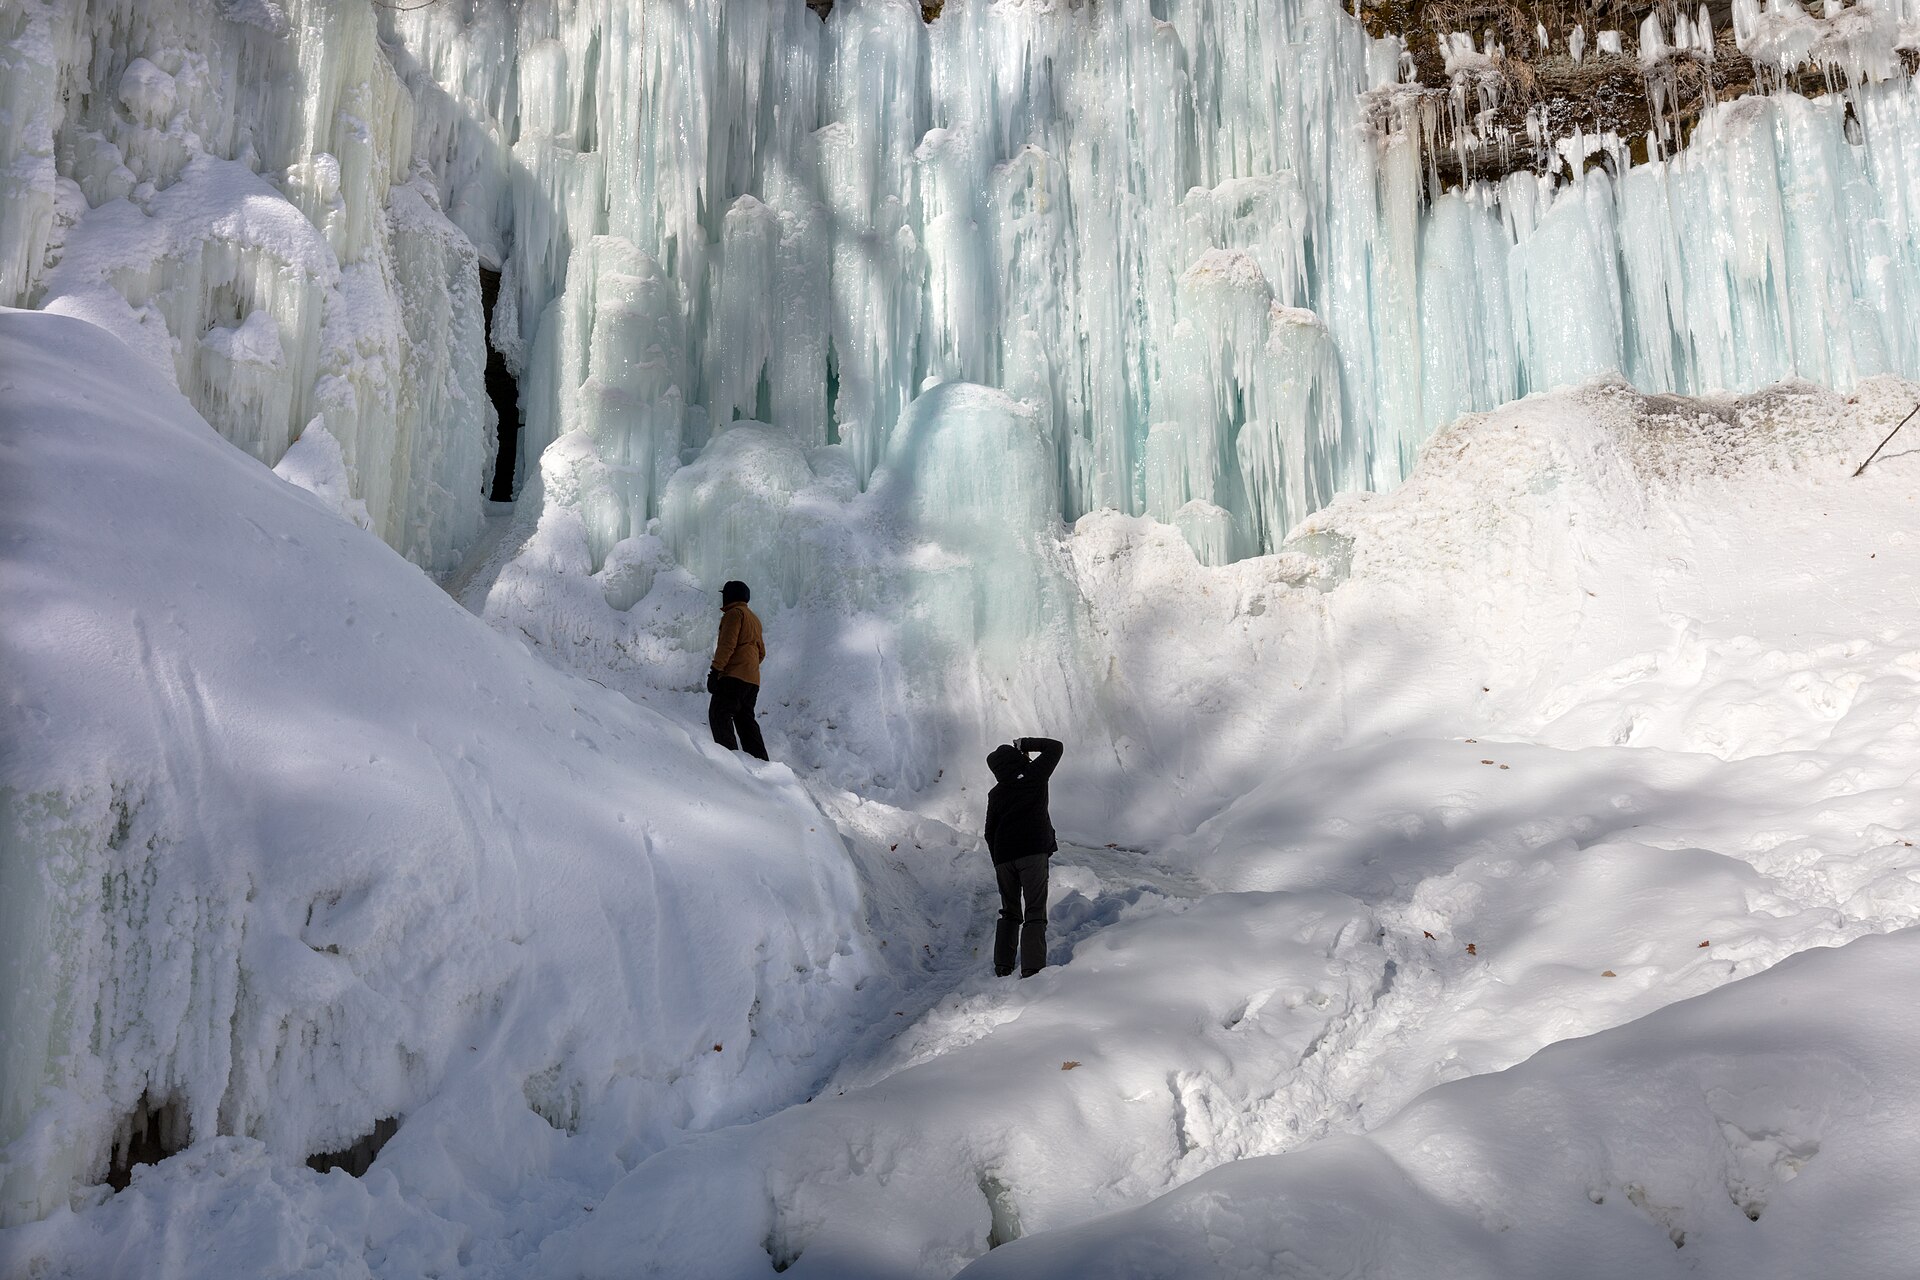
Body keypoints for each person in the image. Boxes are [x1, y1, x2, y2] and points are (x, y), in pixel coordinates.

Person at [983, 736, 1063, 978]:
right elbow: (1055, 747)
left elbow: (989, 832)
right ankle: (1032, 967)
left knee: (1009, 910)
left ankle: (1003, 964)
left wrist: (998, 859)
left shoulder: (996, 793)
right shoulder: (1034, 776)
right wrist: (1025, 744)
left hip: (1004, 858)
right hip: (1033, 853)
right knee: (1035, 910)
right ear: (1018, 759)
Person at [708, 580, 769, 761]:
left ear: (730, 596)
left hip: (733, 677)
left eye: (724, 594)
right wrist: (748, 668)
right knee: (745, 721)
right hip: (752, 681)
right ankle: (760, 762)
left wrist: (715, 670)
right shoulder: (754, 619)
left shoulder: (734, 614)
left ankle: (729, 762)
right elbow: (762, 653)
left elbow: (727, 645)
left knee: (719, 714)